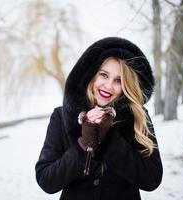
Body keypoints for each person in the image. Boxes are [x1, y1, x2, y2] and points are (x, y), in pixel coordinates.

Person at [35, 37, 163, 200]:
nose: (109, 86)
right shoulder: (61, 116)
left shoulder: (138, 116)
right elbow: (46, 180)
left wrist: (109, 139)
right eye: (104, 75)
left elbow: (151, 179)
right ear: (92, 76)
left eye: (119, 80)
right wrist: (84, 145)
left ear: (126, 86)